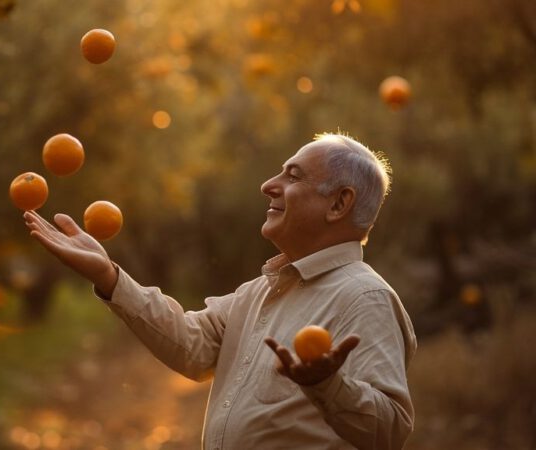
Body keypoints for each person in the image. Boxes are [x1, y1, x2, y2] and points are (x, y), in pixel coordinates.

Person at [23, 132, 417, 449]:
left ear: (338, 204)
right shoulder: (259, 292)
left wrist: (327, 385)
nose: (268, 185)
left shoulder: (365, 298)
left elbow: (389, 432)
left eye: (293, 177)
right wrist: (109, 276)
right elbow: (192, 345)